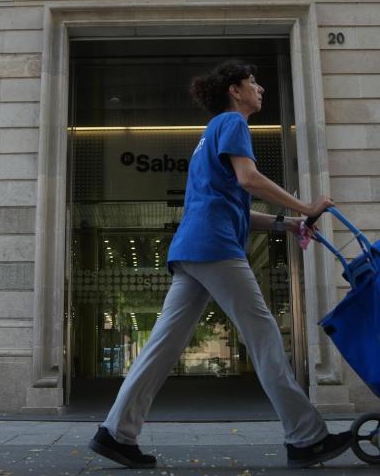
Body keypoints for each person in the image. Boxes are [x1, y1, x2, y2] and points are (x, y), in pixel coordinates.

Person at [89, 60, 352, 469]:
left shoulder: (210, 134)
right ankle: (306, 437)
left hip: (193, 248)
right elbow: (249, 180)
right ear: (235, 90)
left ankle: (115, 434)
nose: (260, 89)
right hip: (215, 248)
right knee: (264, 336)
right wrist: (307, 206)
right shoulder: (233, 124)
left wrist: (289, 224)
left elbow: (236, 208)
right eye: (252, 82)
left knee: (162, 347)